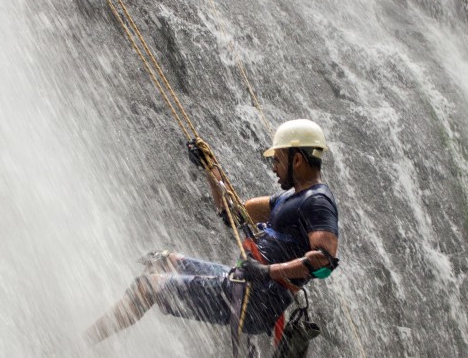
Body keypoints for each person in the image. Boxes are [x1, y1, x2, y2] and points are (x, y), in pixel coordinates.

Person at [85, 119, 339, 345]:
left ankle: (85, 344)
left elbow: (324, 261)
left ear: (297, 160)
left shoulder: (317, 202)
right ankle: (101, 337)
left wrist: (267, 271)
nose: (274, 167)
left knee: (148, 286)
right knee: (164, 262)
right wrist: (211, 168)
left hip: (255, 302)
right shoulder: (288, 198)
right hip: (243, 284)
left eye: (277, 159)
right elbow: (232, 212)